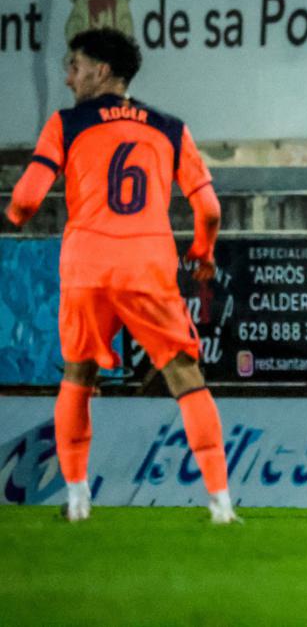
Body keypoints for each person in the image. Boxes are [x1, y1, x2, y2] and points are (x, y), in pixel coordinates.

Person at [3, 28, 238, 524]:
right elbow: (210, 209)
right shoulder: (170, 128)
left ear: (101, 71)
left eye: (74, 67)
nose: (69, 78)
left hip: (87, 264)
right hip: (147, 264)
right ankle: (220, 502)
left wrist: (16, 216)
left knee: (77, 376)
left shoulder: (67, 124)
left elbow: (25, 200)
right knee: (185, 375)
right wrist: (203, 251)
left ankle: (77, 501)